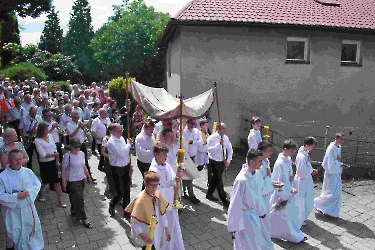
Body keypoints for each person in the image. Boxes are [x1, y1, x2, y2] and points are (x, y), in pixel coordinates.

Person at [0, 149, 44, 250]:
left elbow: (37, 184)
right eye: (16, 160)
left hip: (28, 209)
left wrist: (28, 192)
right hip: (12, 212)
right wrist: (15, 196)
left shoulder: (27, 172)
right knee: (15, 235)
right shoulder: (2, 177)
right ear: (9, 161)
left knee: (31, 234)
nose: (19, 162)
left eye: (20, 159)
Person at [228, 149, 267, 250]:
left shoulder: (256, 174)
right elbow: (234, 203)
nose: (262, 163)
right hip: (244, 217)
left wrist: (261, 211)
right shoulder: (241, 180)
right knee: (244, 244)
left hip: (253, 214)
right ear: (251, 162)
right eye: (260, 161)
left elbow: (257, 194)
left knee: (254, 242)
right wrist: (234, 226)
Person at [149, 143, 185, 250]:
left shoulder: (166, 165)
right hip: (161, 208)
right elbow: (155, 192)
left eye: (166, 153)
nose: (166, 156)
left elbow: (171, 179)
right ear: (156, 154)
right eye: (164, 154)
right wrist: (173, 190)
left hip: (170, 204)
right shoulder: (153, 171)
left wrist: (177, 176)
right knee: (163, 231)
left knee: (173, 227)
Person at [270, 139, 307, 243]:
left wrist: (291, 176)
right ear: (285, 149)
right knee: (282, 214)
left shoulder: (288, 159)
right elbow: (276, 181)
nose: (293, 153)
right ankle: (293, 236)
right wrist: (288, 191)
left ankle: (274, 231)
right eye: (291, 151)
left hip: (288, 190)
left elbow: (290, 171)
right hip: (282, 192)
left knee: (281, 215)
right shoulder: (279, 163)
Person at [124, 171, 171, 250]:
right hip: (146, 232)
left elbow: (162, 213)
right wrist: (142, 235)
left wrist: (166, 228)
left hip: (156, 230)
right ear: (145, 184)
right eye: (152, 185)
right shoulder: (140, 200)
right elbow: (134, 222)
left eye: (156, 185)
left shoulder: (156, 193)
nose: (154, 188)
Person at [61, 138, 93, 229]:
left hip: (81, 179)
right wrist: (63, 183)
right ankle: (84, 219)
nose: (78, 149)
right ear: (71, 147)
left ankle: (74, 211)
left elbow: (84, 166)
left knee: (75, 197)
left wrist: (88, 176)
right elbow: (63, 170)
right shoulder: (68, 156)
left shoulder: (82, 154)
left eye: (79, 147)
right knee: (80, 199)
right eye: (76, 147)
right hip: (72, 181)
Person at [314, 132, 347, 218]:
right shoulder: (331, 148)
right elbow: (330, 163)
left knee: (337, 193)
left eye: (343, 139)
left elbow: (337, 159)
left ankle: (331, 212)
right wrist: (340, 164)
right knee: (332, 193)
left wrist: (340, 164)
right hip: (331, 173)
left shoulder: (339, 147)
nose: (343, 141)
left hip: (336, 173)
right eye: (341, 139)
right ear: (336, 138)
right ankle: (318, 203)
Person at [34, 122, 65, 207]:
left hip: (53, 162)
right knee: (45, 181)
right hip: (45, 163)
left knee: (57, 182)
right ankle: (40, 192)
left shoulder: (50, 136)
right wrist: (54, 155)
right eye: (46, 129)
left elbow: (55, 149)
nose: (48, 130)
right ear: (42, 131)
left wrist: (57, 160)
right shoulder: (37, 140)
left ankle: (60, 201)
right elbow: (42, 154)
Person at [107, 123, 133, 218]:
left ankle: (127, 211)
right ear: (113, 132)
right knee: (120, 191)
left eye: (121, 130)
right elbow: (122, 154)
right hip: (117, 169)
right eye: (119, 131)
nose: (121, 132)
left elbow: (126, 154)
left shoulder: (121, 138)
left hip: (125, 166)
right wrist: (129, 145)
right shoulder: (111, 142)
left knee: (127, 190)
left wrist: (130, 167)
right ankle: (112, 204)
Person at [206, 122, 232, 208]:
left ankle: (209, 194)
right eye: (222, 128)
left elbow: (230, 150)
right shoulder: (212, 138)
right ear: (218, 129)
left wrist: (228, 160)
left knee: (215, 178)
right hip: (213, 161)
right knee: (219, 180)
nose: (224, 130)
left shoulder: (226, 138)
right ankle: (224, 199)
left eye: (225, 128)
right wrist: (219, 144)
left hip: (221, 161)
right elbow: (209, 150)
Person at [295, 136, 318, 227]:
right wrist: (310, 171)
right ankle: (299, 219)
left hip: (306, 179)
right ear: (307, 145)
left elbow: (307, 166)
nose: (313, 148)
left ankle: (303, 217)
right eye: (312, 146)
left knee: (307, 199)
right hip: (302, 181)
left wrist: (311, 170)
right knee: (301, 199)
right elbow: (301, 172)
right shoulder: (301, 156)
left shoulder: (305, 153)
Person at [67, 111, 95, 181]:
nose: (77, 119)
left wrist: (84, 128)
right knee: (75, 161)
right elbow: (72, 135)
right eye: (76, 118)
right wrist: (78, 127)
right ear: (72, 117)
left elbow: (84, 132)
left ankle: (89, 176)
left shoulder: (80, 122)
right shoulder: (69, 125)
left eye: (78, 117)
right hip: (75, 145)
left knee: (85, 161)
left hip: (82, 144)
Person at [256, 141, 275, 250]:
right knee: (263, 224)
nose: (271, 153)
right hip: (260, 199)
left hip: (266, 197)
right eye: (269, 151)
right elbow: (259, 187)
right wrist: (269, 179)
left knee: (266, 224)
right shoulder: (259, 166)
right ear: (262, 152)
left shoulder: (266, 161)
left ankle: (266, 244)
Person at [181, 118, 202, 204]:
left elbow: (200, 142)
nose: (193, 125)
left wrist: (192, 142)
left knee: (189, 177)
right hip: (184, 157)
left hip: (192, 156)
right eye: (191, 123)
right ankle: (190, 195)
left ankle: (185, 193)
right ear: (187, 122)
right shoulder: (182, 131)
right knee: (188, 177)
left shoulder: (196, 131)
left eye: (194, 123)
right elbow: (180, 143)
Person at [135, 120, 156, 190]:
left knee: (149, 181)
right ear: (145, 129)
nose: (152, 132)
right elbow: (142, 152)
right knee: (148, 181)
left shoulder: (151, 135)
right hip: (143, 163)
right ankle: (143, 196)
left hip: (151, 162)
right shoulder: (140, 138)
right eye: (151, 130)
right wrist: (153, 151)